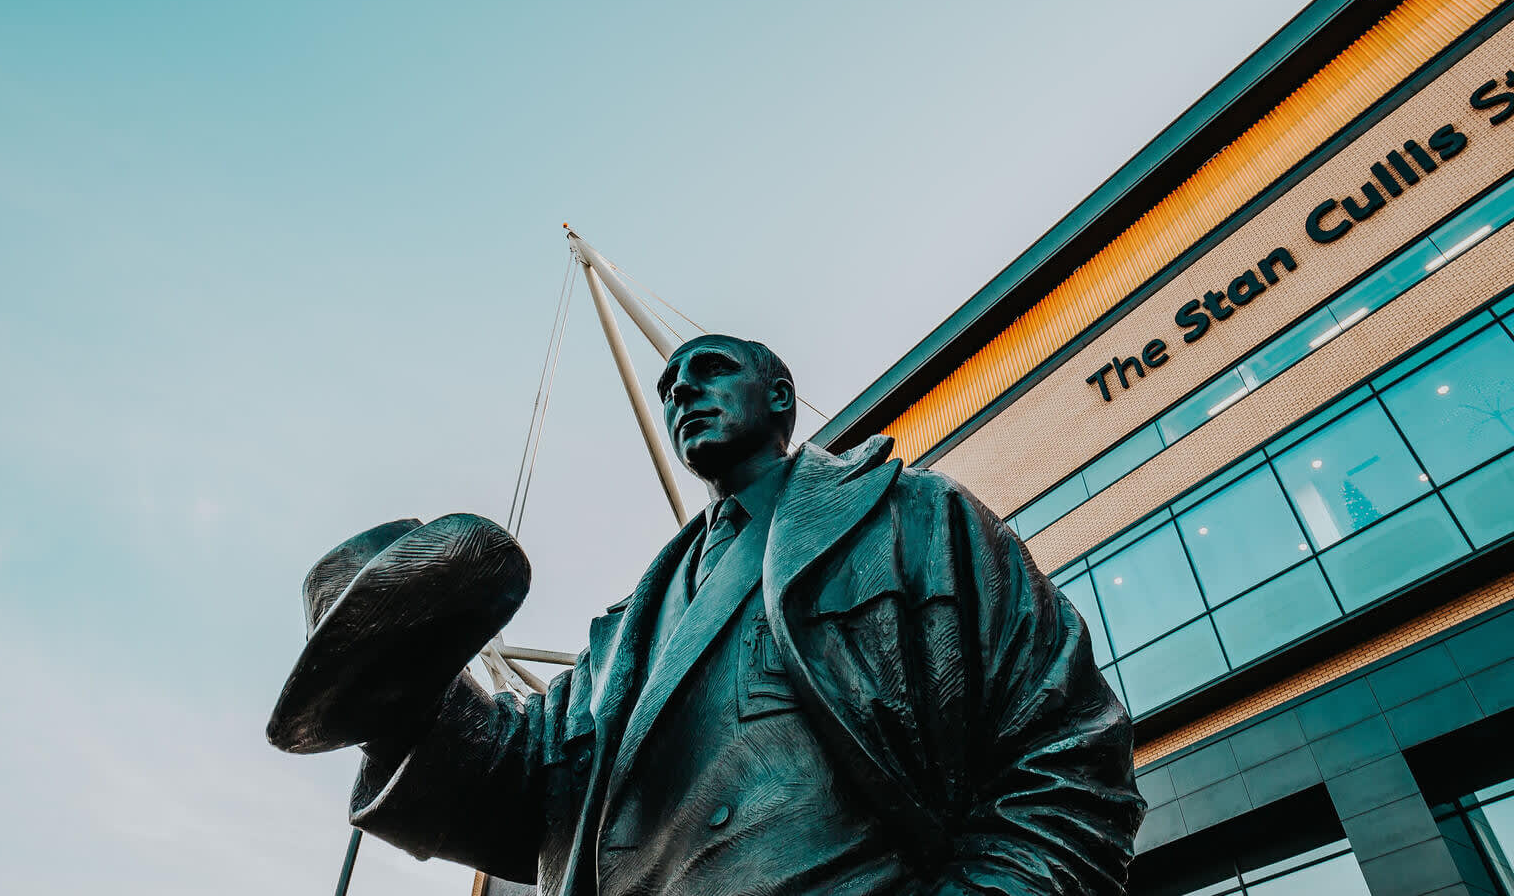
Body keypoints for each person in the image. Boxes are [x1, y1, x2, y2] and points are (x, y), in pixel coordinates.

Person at [341, 335, 1141, 895]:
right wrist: (406, 688)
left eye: (710, 369)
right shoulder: (621, 636)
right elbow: (519, 786)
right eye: (667, 388)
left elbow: (1066, 757)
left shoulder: (915, 519)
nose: (681, 389)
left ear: (780, 396)